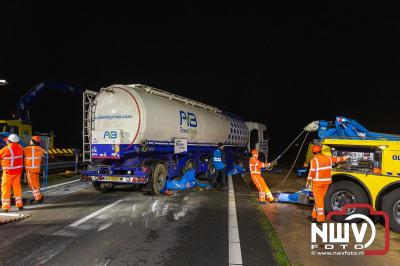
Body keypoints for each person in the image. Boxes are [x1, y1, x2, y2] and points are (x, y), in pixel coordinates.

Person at [307, 144, 349, 222]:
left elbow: (312, 172)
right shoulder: (328, 158)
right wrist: (347, 157)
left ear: (313, 152)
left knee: (319, 200)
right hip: (326, 183)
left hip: (318, 183)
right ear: (320, 151)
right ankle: (314, 216)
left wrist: (308, 181)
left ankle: (320, 218)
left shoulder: (314, 160)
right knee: (319, 199)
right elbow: (339, 159)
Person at [0, 134, 24, 212]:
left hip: (8, 173)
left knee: (6, 189)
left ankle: (5, 207)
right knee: (17, 188)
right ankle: (20, 205)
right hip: (17, 172)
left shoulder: (5, 149)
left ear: (9, 141)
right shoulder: (20, 148)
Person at [24, 136, 45, 204]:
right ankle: (39, 196)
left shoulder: (26, 149)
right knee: (36, 184)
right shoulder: (40, 149)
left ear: (33, 141)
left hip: (30, 170)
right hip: (37, 169)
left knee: (32, 185)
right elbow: (42, 158)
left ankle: (38, 198)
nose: (29, 141)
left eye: (31, 140)